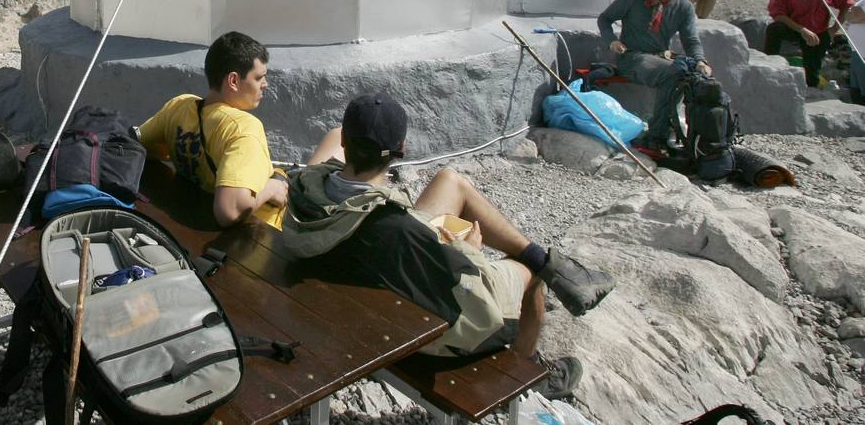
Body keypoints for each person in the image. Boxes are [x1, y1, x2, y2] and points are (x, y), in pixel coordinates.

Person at [281, 93, 615, 399]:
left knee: (450, 181)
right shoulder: (397, 228)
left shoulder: (308, 187)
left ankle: (550, 263)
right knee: (529, 273)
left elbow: (337, 141)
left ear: (344, 142)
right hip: (411, 328)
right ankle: (531, 367)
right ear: (402, 147)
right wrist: (468, 250)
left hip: (356, 273)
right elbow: (481, 305)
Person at [138, 31, 288, 228]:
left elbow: (136, 145)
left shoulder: (180, 106)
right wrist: (271, 188)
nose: (265, 85)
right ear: (233, 81)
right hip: (245, 238)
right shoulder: (243, 129)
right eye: (259, 77)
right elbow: (230, 211)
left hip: (185, 211)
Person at [598, 0, 711, 150]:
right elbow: (605, 19)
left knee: (694, 76)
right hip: (632, 58)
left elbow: (691, 40)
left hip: (661, 58)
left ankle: (700, 138)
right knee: (673, 73)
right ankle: (657, 135)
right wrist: (612, 41)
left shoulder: (683, 7)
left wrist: (700, 61)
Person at [764, 0, 856, 91]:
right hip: (794, 29)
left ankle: (812, 86)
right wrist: (802, 30)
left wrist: (834, 29)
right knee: (774, 28)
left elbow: (847, 5)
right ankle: (769, 66)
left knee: (812, 74)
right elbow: (777, 14)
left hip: (818, 32)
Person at [846, 0, 865, 105]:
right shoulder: (863, 1)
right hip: (857, 52)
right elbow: (847, 15)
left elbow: (856, 14)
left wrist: (856, 15)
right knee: (856, 93)